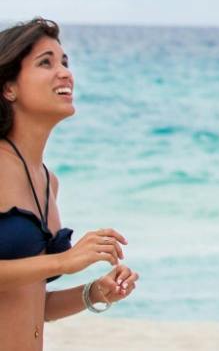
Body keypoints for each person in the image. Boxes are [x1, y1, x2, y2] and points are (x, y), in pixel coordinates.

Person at [0, 19, 137, 351]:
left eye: (65, 62)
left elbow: (29, 302)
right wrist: (65, 261)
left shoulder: (48, 182)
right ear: (8, 88)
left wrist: (92, 293)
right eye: (45, 62)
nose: (64, 72)